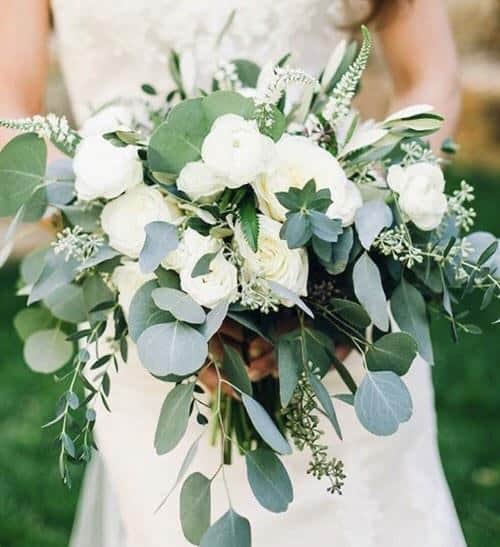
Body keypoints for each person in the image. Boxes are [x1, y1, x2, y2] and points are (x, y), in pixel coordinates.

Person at [0, 1, 466, 545]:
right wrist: (151, 263)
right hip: (152, 319)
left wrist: (342, 265)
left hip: (343, 307)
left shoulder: (344, 283)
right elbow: (10, 108)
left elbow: (430, 75)